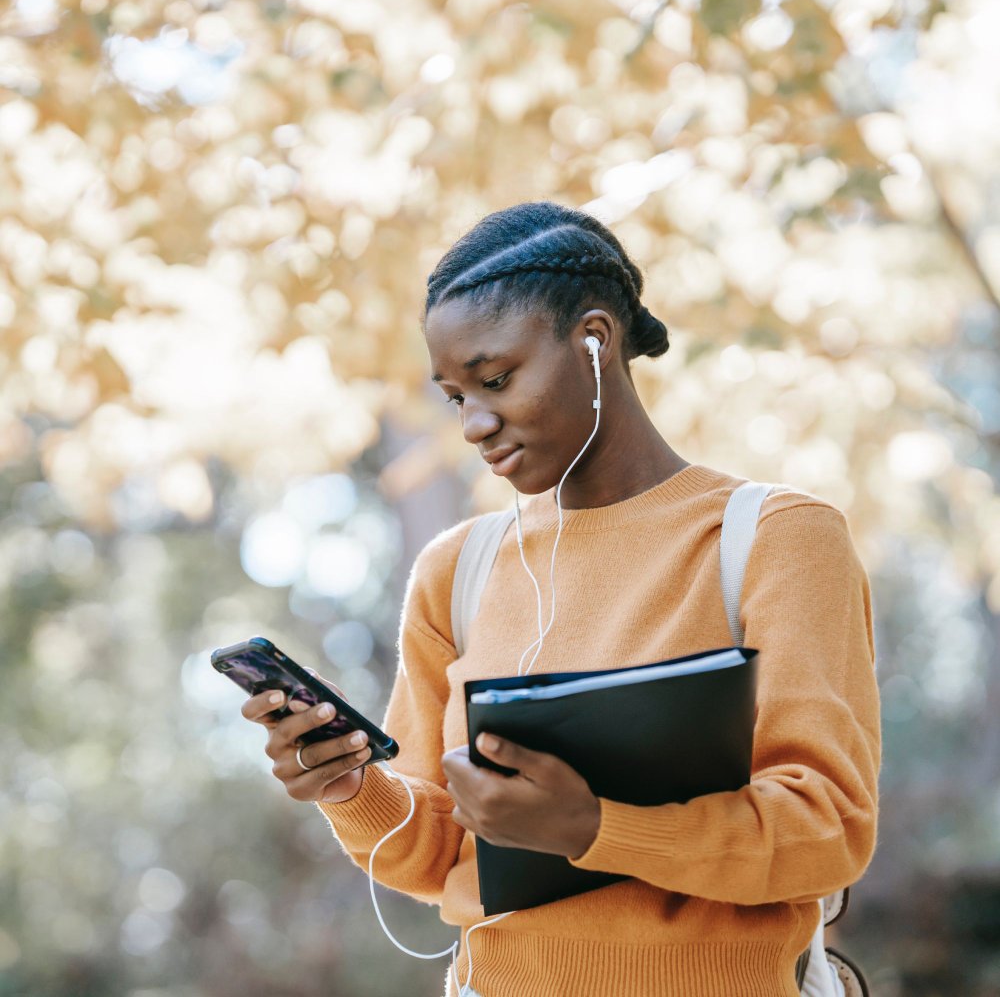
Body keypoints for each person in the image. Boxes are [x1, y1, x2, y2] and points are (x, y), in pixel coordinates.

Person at [240, 202, 881, 997]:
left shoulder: (775, 538)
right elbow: (432, 857)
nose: (475, 422)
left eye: (496, 378)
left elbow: (828, 830)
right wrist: (348, 787)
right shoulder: (458, 570)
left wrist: (592, 827)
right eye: (454, 396)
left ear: (595, 341)